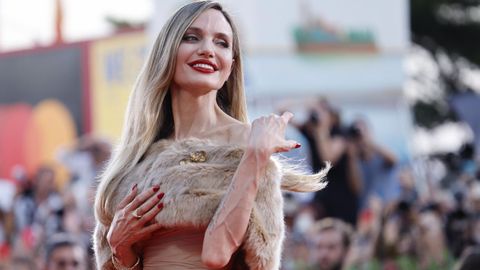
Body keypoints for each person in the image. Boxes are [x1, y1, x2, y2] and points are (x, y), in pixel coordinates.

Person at [93, 1, 329, 269]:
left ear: (231, 64)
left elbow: (220, 257)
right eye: (192, 38)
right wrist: (120, 249)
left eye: (222, 43)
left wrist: (253, 157)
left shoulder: (250, 146)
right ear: (167, 51)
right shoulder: (136, 159)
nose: (207, 50)